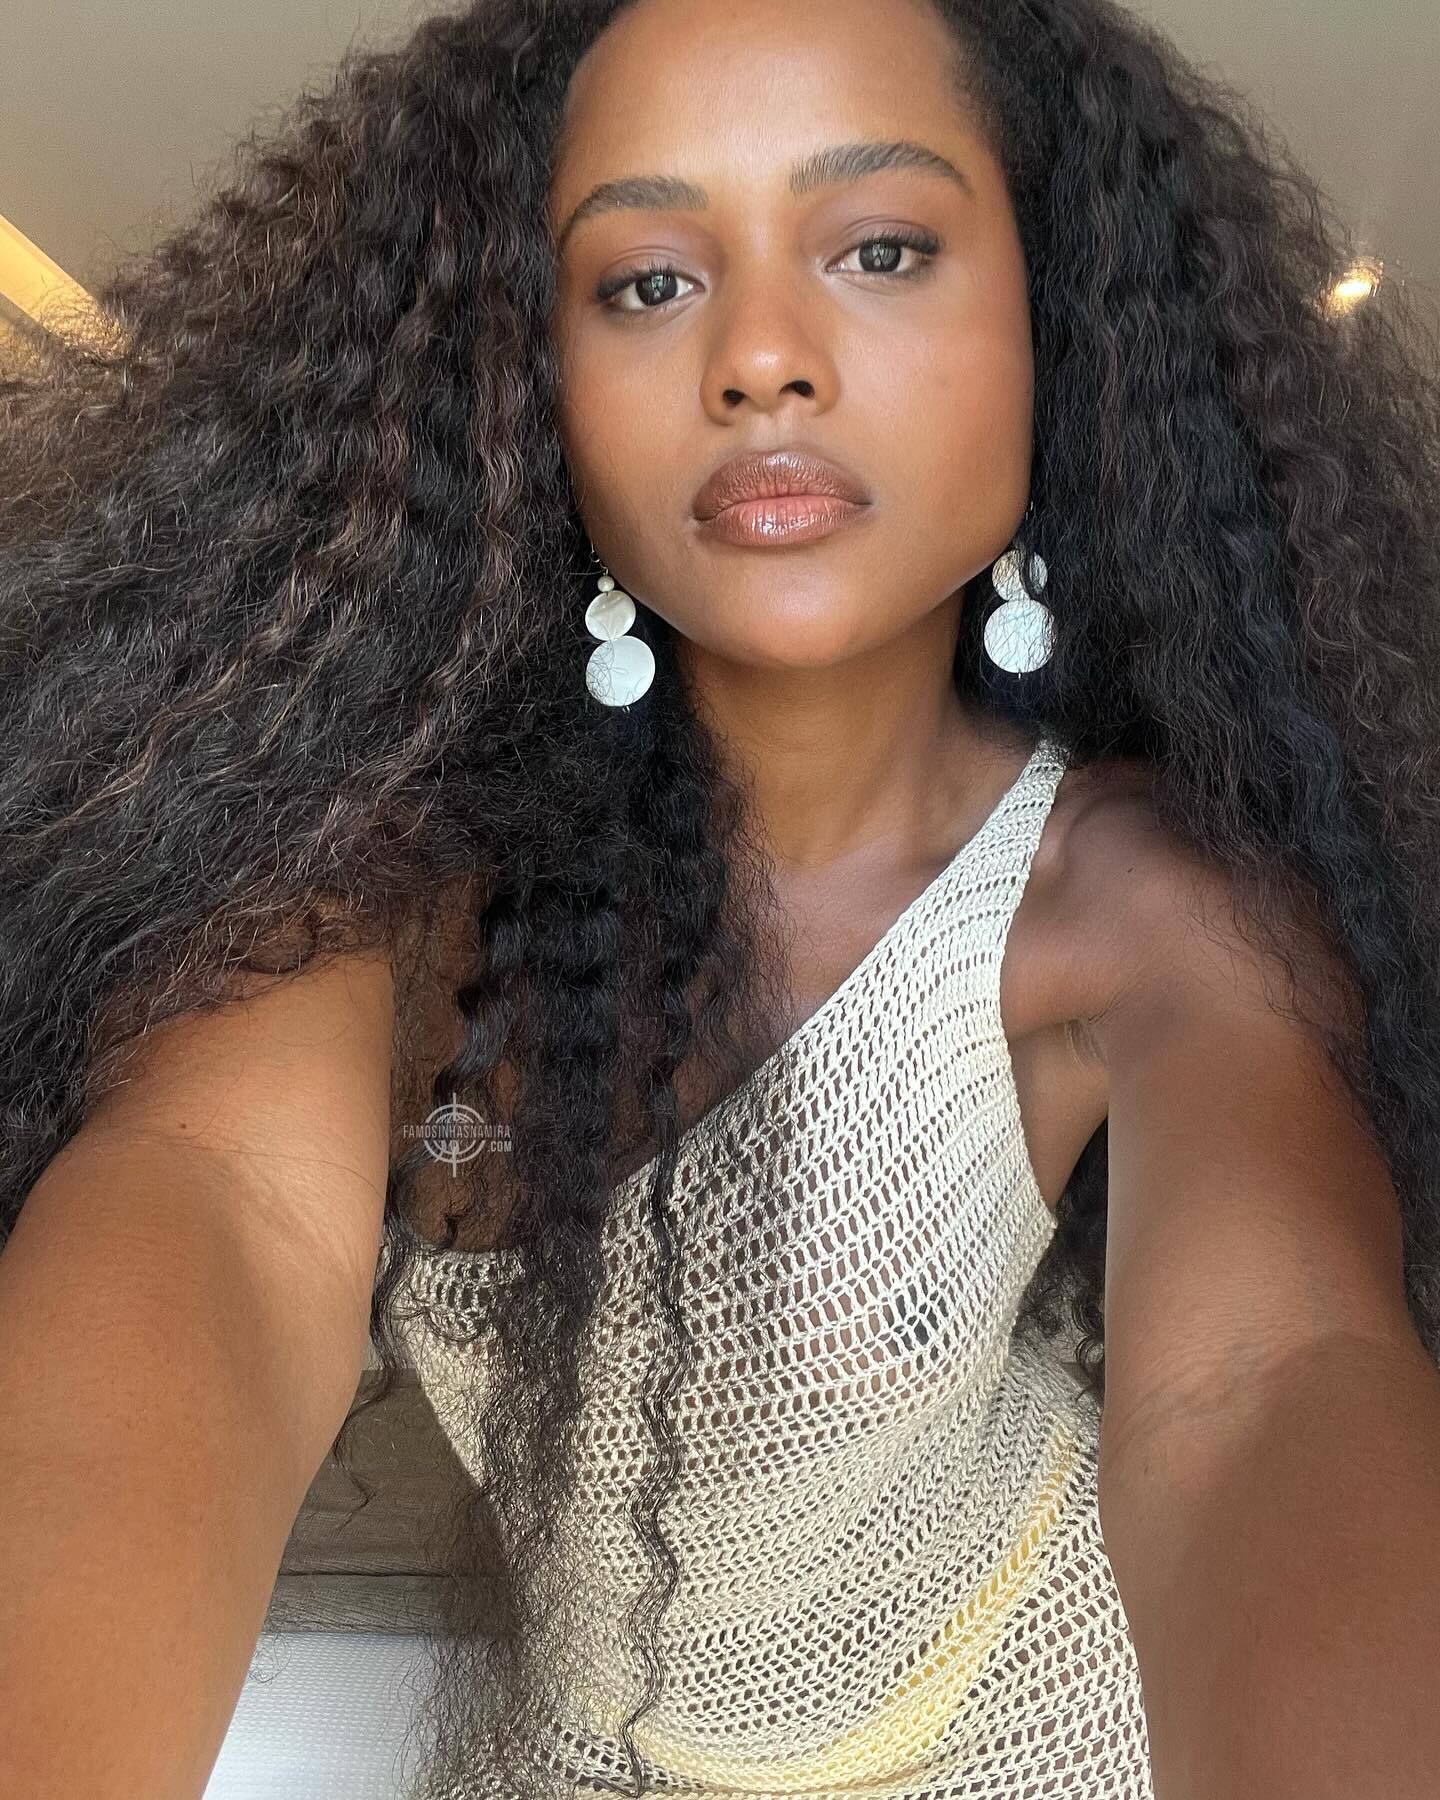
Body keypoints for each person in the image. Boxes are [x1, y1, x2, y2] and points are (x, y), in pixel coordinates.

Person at [2, 0, 1439, 1796]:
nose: (761, 356)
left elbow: (1265, 1384)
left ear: (1053, 322)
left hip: (1038, 1720)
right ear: (526, 376)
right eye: (648, 281)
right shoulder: (381, 883)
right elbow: (212, 1212)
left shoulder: (1144, 904)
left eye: (883, 249)